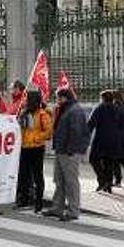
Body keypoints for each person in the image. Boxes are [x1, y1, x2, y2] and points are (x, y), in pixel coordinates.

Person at [42, 88, 90, 222]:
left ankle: (73, 210)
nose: (56, 100)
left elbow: (76, 132)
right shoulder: (66, 109)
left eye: (58, 98)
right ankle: (57, 207)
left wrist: (71, 150)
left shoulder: (74, 111)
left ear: (64, 98)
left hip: (70, 152)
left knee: (70, 182)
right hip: (62, 150)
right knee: (59, 180)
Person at [16, 89, 52, 212]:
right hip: (25, 147)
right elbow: (19, 128)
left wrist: (37, 138)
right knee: (23, 175)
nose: (26, 100)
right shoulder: (24, 113)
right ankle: (24, 200)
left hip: (37, 148)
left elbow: (48, 132)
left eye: (28, 99)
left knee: (37, 175)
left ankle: (38, 203)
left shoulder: (43, 114)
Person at [87, 90, 118, 193]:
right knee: (109, 162)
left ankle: (102, 180)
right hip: (114, 139)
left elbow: (91, 124)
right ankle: (108, 184)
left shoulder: (99, 108)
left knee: (93, 159)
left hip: (101, 139)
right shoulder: (117, 109)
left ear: (103, 98)